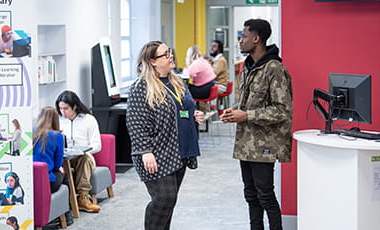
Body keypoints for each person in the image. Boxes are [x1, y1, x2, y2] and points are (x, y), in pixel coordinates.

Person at [220, 19, 293, 230]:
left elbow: (282, 109)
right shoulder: (248, 67)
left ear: (256, 38)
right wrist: (234, 112)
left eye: (243, 36)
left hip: (264, 144)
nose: (240, 41)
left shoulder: (275, 69)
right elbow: (247, 103)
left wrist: (247, 115)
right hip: (246, 143)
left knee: (265, 195)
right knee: (250, 195)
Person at [126, 41, 204, 229]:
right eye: (165, 54)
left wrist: (195, 115)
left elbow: (184, 108)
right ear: (152, 61)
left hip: (179, 150)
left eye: (170, 52)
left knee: (169, 203)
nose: (171, 56)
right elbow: (135, 122)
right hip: (155, 152)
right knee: (163, 200)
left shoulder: (177, 81)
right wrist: (145, 151)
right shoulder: (140, 87)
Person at [55, 90, 101, 213]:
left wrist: (83, 150)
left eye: (66, 109)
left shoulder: (88, 119)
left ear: (74, 107)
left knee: (85, 159)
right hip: (64, 157)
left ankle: (83, 197)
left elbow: (97, 145)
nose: (62, 112)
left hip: (83, 155)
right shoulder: (58, 120)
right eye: (60, 109)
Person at [33, 107, 67, 193]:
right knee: (66, 175)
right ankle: (72, 204)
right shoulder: (58, 136)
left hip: (31, 180)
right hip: (47, 181)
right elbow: (57, 165)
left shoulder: (31, 132)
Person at [183, 45, 216, 113]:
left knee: (183, 88)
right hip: (209, 87)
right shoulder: (202, 61)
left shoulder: (196, 63)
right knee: (187, 87)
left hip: (204, 91)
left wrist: (184, 69)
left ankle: (187, 112)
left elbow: (189, 74)